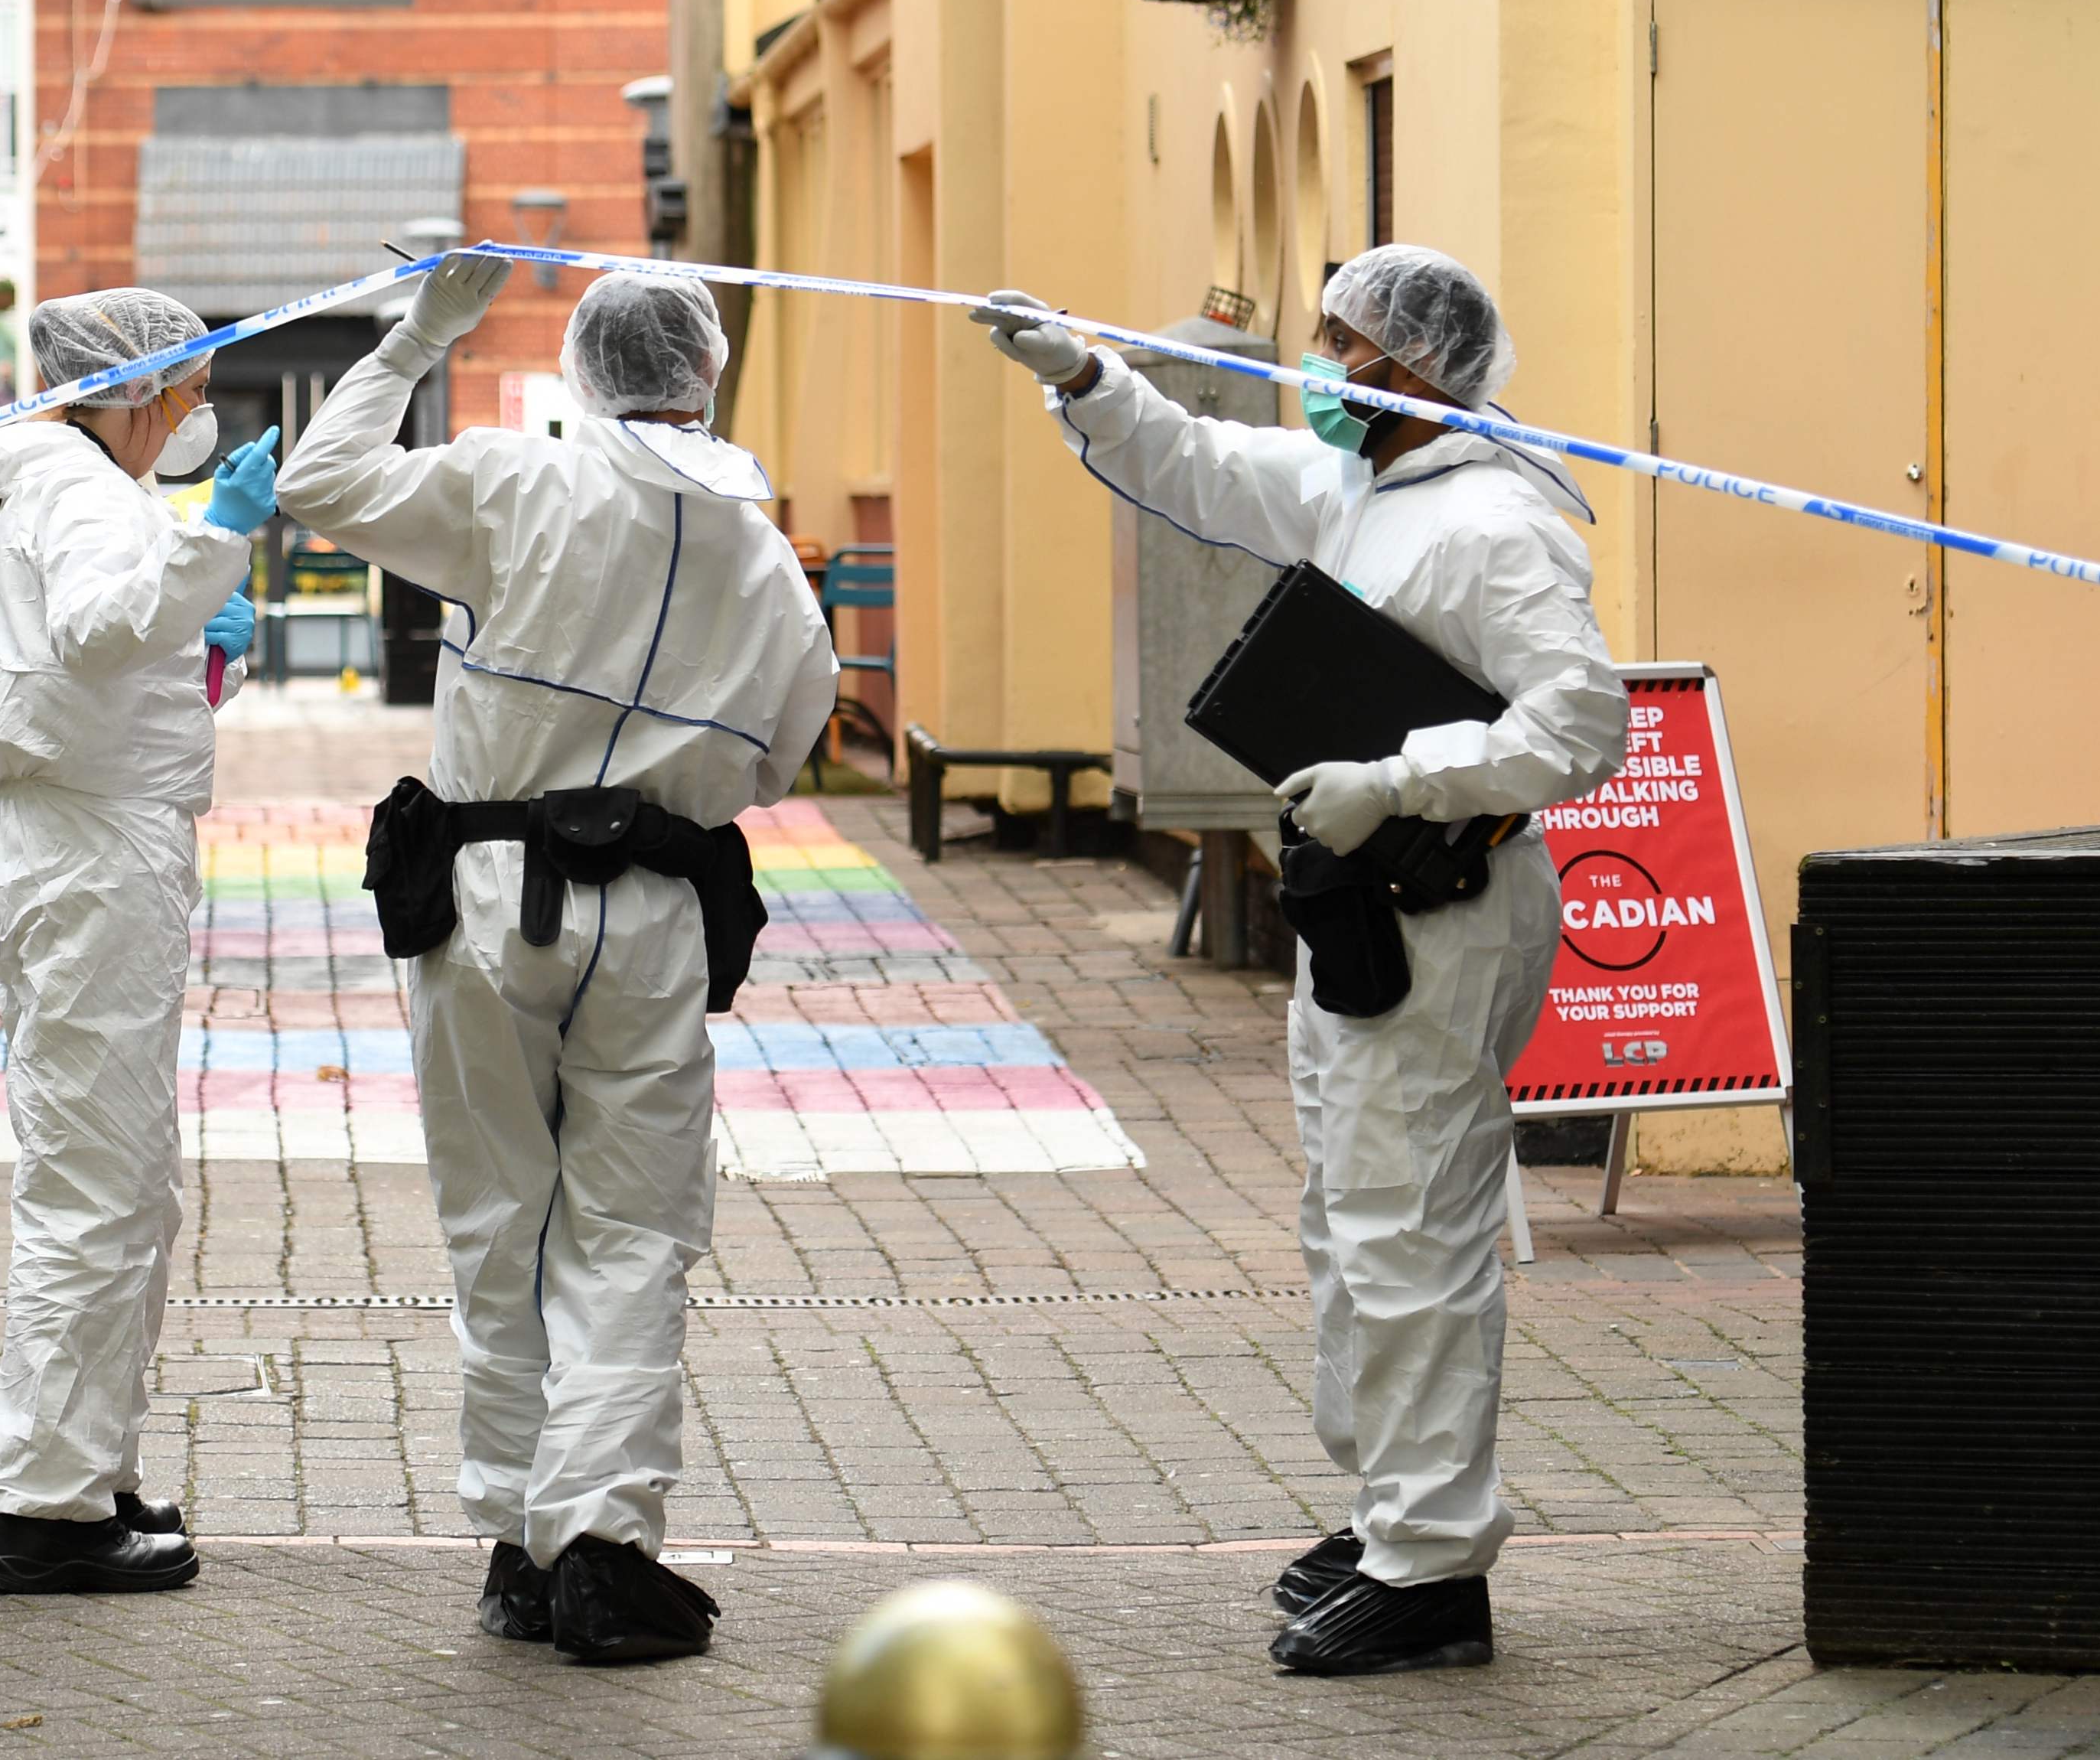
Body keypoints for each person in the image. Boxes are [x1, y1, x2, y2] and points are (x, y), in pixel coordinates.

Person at [973, 245, 1625, 1678]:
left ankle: (1433, 1565)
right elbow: (1199, 464)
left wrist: (1398, 776)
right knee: (1351, 1222)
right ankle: (1389, 1501)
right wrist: (1081, 373)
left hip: (1442, 904)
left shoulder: (1493, 522)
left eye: (1344, 347)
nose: (1320, 370)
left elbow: (1581, 725)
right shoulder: (1359, 482)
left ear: (1419, 370)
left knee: (1413, 1235)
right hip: (1359, 909)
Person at [278, 259, 836, 1664]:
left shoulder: (506, 486)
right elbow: (783, 746)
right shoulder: (758, 552)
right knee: (632, 1232)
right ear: (706, 370)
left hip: (481, 900)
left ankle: (521, 1542)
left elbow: (321, 485)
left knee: (500, 1221)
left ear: (580, 367)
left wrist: (417, 333)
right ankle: (598, 1533)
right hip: (650, 913)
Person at [0, 286, 275, 1597]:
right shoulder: (82, 491)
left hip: (86, 839)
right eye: (187, 391)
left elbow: (104, 667)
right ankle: (50, 1509)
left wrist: (208, 652)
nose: (197, 415)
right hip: (86, 855)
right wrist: (218, 547)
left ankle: (87, 1465)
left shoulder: (84, 483)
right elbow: (94, 626)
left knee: (124, 1175)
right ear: (129, 390)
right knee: (94, 1183)